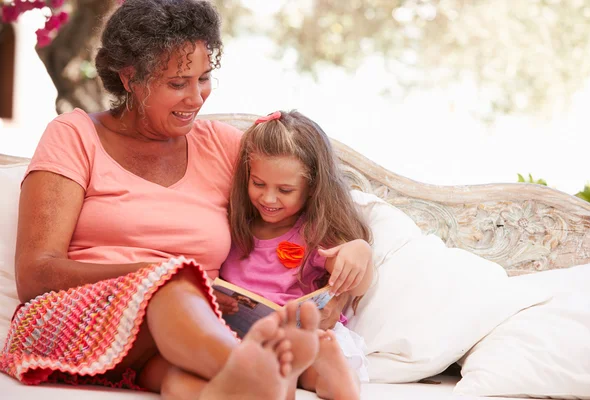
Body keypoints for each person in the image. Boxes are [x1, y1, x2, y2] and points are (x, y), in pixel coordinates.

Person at [0, 0, 373, 399]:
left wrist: (357, 255)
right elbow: (35, 275)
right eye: (177, 83)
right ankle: (256, 369)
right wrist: (163, 275)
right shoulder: (73, 136)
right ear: (130, 78)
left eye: (204, 78)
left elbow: (300, 200)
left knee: (185, 384)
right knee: (176, 285)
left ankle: (254, 386)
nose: (196, 98)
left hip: (180, 337)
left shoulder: (224, 147)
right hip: (74, 321)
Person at [220, 110, 374, 399]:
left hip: (304, 336)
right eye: (259, 184)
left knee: (308, 355)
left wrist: (359, 251)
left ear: (313, 188)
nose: (268, 199)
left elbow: (357, 283)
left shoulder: (313, 234)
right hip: (245, 338)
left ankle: (333, 373)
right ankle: (291, 374)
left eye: (285, 190)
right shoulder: (233, 229)